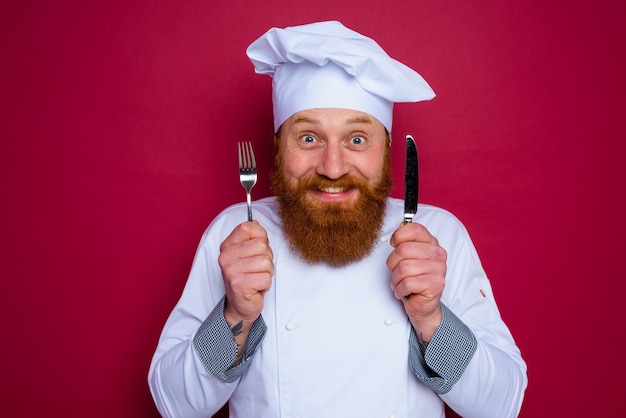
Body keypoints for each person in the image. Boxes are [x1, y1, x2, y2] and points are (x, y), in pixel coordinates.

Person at [148, 21, 527, 418]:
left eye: (357, 139)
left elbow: (500, 407)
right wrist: (234, 315)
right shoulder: (236, 234)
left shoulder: (437, 235)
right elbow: (175, 406)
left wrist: (431, 318)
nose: (332, 167)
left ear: (385, 151)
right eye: (309, 138)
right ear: (279, 148)